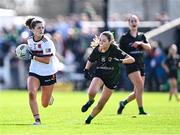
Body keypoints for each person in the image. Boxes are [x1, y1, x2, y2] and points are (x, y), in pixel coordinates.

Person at [81, 31, 135, 124]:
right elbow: (90, 59)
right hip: (100, 73)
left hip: (112, 77)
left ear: (110, 41)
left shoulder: (115, 49)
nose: (101, 42)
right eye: (100, 40)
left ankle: (89, 119)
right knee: (92, 91)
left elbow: (132, 59)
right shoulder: (97, 49)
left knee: (101, 103)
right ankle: (90, 101)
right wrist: (86, 70)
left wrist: (119, 60)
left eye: (104, 41)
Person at [25, 17, 58, 125]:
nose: (41, 30)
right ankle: (37, 120)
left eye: (42, 28)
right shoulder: (29, 40)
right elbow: (28, 54)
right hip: (34, 71)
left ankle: (48, 98)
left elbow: (47, 60)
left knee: (44, 104)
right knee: (31, 93)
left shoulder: (47, 42)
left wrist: (32, 57)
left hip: (48, 72)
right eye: (38, 28)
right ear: (32, 29)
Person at [117, 14, 151, 115]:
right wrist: (122, 60)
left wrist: (140, 43)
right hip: (131, 65)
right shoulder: (124, 37)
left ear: (138, 22)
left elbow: (149, 47)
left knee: (138, 91)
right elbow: (119, 51)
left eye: (135, 21)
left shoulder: (142, 36)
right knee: (140, 87)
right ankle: (141, 110)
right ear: (128, 23)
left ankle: (123, 103)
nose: (133, 23)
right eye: (131, 21)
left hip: (141, 65)